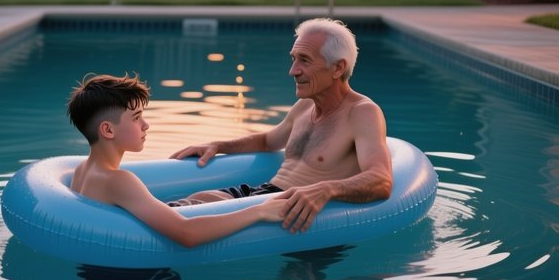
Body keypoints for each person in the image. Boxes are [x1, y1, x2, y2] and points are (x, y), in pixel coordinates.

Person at [169, 18, 393, 234]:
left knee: (194, 219)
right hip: (265, 194)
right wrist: (217, 145)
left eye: (304, 60)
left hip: (299, 213)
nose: (293, 70)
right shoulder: (305, 105)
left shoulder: (362, 112)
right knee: (192, 203)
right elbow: (268, 141)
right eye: (293, 59)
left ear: (337, 68)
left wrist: (327, 189)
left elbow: (381, 179)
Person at [67, 73, 286, 247]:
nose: (146, 125)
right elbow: (186, 233)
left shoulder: (81, 170)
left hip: (102, 267)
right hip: (130, 274)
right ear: (107, 130)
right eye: (136, 118)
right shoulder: (117, 180)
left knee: (203, 198)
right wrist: (259, 211)